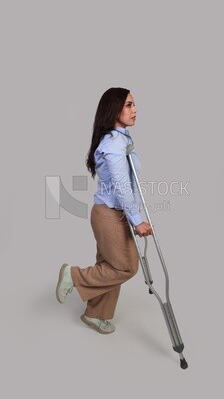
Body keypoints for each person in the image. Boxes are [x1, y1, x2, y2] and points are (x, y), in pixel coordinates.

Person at [55, 87, 153, 334]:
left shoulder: (122, 138)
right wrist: (137, 220)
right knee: (125, 267)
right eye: (129, 105)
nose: (135, 110)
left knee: (109, 266)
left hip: (114, 213)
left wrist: (132, 217)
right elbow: (121, 185)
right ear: (113, 109)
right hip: (109, 215)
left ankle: (95, 314)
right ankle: (73, 275)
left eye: (134, 104)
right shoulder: (113, 143)